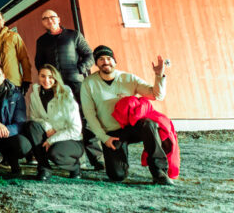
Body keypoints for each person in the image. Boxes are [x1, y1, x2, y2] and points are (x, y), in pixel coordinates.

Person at [80, 45, 173, 185]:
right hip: (112, 133)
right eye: (100, 59)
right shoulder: (89, 84)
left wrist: (159, 76)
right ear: (96, 63)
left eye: (108, 58)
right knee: (117, 176)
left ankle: (159, 172)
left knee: (149, 124)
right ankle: (120, 166)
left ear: (115, 61)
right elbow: (89, 115)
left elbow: (156, 95)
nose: (105, 62)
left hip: (132, 126)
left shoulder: (128, 78)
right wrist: (104, 138)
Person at [34, 10, 102, 168]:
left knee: (85, 118)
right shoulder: (42, 41)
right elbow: (39, 63)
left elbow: (89, 55)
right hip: (56, 87)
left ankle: (96, 158)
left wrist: (79, 69)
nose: (49, 20)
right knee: (64, 119)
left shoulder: (73, 35)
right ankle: (77, 156)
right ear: (43, 23)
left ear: (58, 18)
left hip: (76, 83)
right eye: (45, 19)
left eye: (52, 17)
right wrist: (48, 78)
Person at [23, 64, 84, 180]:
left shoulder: (66, 96)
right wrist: (47, 127)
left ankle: (75, 167)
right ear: (38, 77)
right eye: (43, 76)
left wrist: (52, 139)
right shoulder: (35, 94)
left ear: (56, 78)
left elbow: (76, 129)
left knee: (54, 153)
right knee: (30, 126)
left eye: (50, 77)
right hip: (48, 134)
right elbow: (34, 117)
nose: (46, 80)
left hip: (71, 140)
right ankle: (44, 168)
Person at [0, 11, 32, 94]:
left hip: (14, 81)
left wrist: (27, 80)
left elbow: (24, 58)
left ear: (3, 20)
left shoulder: (14, 36)